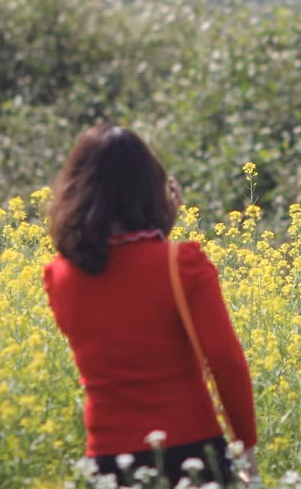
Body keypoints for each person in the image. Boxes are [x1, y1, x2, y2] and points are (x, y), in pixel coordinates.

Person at [43, 122, 260, 487]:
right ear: (150, 190)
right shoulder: (183, 265)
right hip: (191, 449)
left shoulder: (59, 276)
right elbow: (224, 359)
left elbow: (121, 301)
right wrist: (246, 447)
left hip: (110, 458)